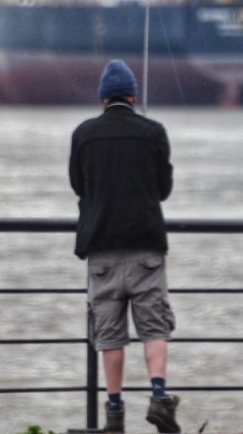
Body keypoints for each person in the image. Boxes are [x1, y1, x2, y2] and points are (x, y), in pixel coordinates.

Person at [69, 59, 180, 434]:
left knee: (110, 335)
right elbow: (163, 190)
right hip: (146, 247)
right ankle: (159, 398)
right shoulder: (154, 132)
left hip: (102, 249)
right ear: (134, 96)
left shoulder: (84, 134)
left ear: (102, 99)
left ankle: (114, 415)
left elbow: (78, 185)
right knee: (154, 328)